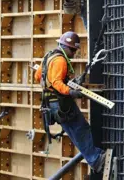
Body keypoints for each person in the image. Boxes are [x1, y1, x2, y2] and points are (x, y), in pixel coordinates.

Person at [34, 31, 105, 173]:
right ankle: (96, 159)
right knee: (81, 129)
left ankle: (94, 158)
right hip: (61, 104)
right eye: (73, 50)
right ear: (68, 47)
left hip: (51, 103)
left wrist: (65, 84)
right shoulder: (60, 60)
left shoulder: (49, 56)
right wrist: (70, 91)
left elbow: (38, 76)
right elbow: (56, 82)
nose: (74, 53)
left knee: (74, 132)